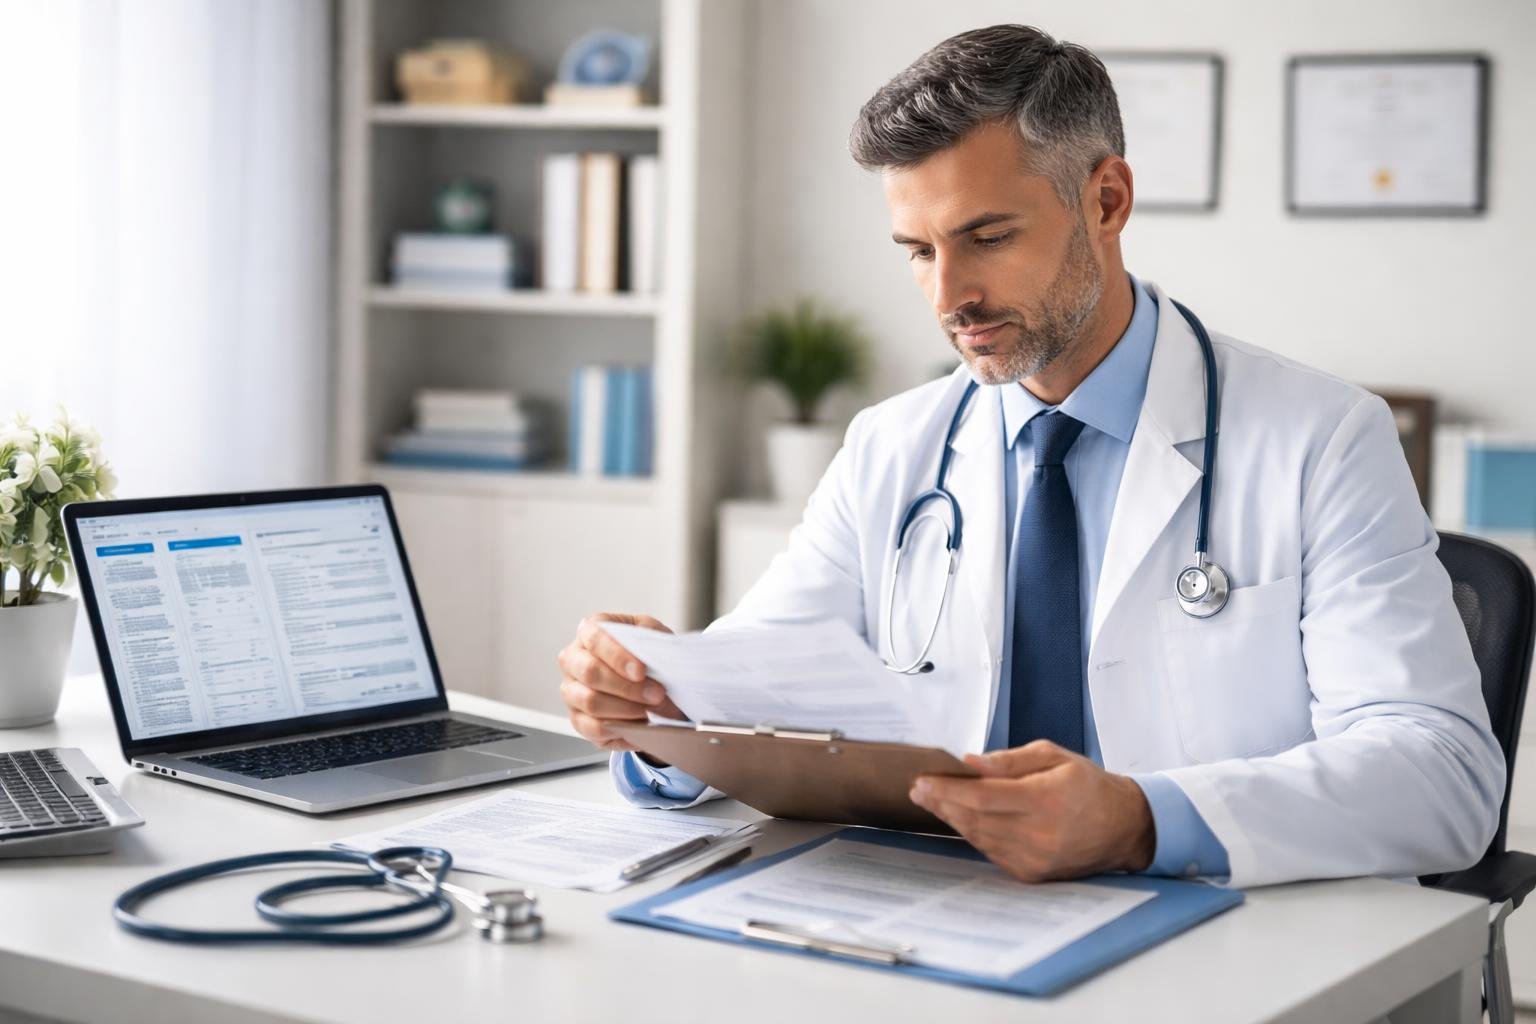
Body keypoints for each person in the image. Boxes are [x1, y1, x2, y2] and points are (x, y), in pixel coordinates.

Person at [555, 24, 1504, 889]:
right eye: (918, 251)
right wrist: (661, 714)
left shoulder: (1321, 438)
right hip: (936, 917)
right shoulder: (893, 447)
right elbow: (758, 693)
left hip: (1213, 930)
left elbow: (1442, 773)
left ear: (1107, 199)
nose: (948, 297)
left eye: (988, 237)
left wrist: (1141, 819)